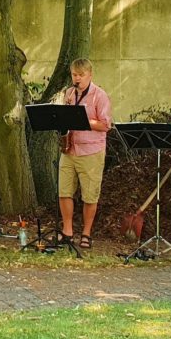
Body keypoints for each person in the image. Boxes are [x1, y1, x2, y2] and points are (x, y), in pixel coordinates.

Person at [57, 58, 112, 250]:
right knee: (64, 191)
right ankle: (67, 231)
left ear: (90, 75)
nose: (77, 78)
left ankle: (86, 233)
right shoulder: (69, 93)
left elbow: (106, 125)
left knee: (89, 196)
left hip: (91, 152)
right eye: (74, 75)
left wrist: (81, 120)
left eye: (81, 75)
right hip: (69, 149)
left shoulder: (100, 96)